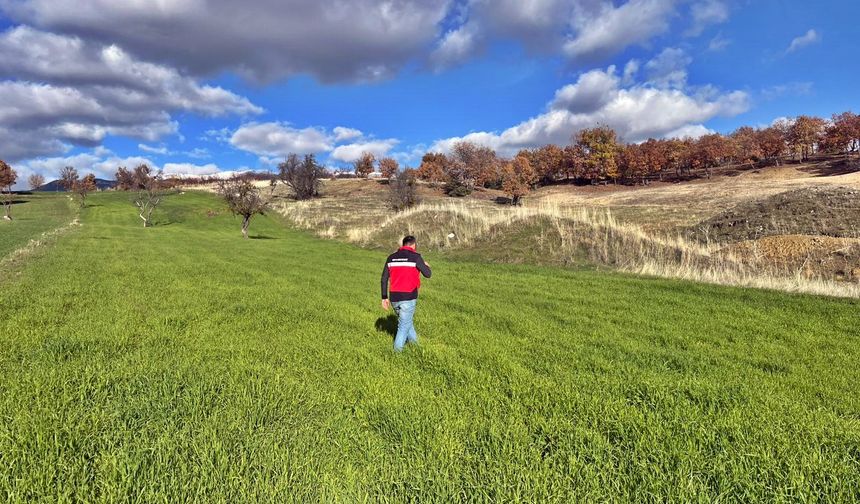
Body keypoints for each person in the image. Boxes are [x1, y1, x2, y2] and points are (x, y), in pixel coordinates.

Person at [381, 235, 432, 351]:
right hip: (408, 297)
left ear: (403, 245)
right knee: (403, 327)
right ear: (414, 245)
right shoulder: (416, 257)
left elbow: (384, 279)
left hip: (394, 298)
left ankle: (416, 347)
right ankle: (397, 354)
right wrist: (426, 266)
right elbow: (428, 274)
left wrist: (384, 298)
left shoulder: (391, 258)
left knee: (407, 323)